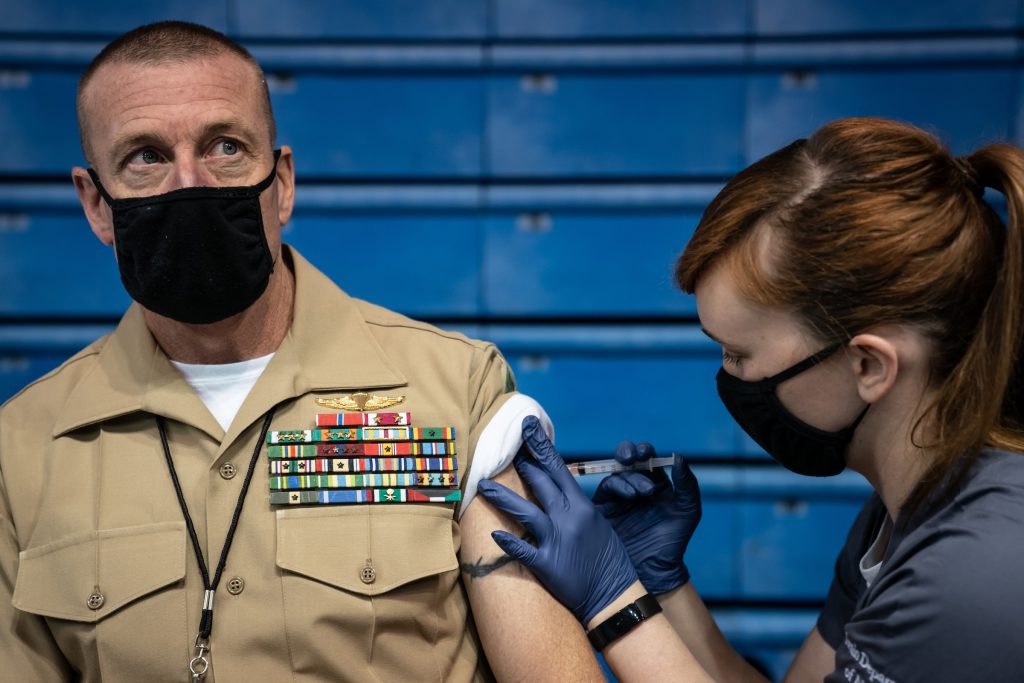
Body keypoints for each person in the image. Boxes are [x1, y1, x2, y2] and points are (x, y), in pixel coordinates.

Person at [0, 21, 605, 681]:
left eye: (225, 146)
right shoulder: (24, 450)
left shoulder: (454, 393)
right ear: (95, 204)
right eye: (144, 156)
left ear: (281, 182)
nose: (189, 184)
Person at [480, 117, 1024, 682]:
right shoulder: (899, 515)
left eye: (739, 355)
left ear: (869, 365)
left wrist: (611, 600)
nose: (728, 378)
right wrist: (662, 584)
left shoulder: (973, 577)